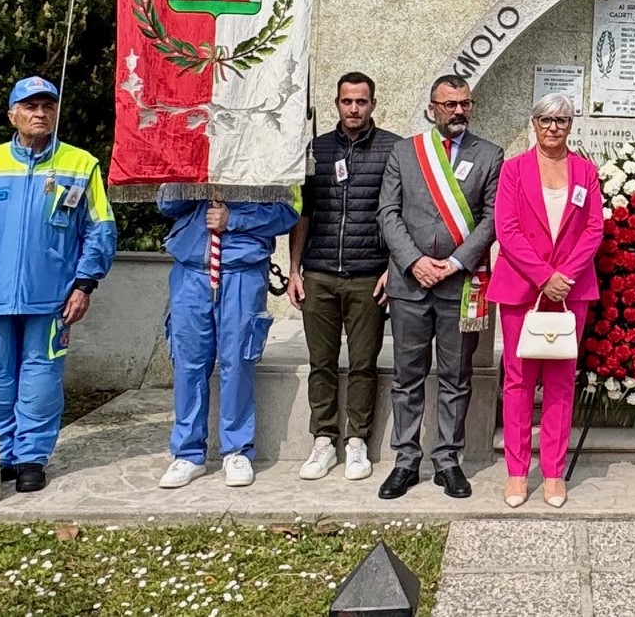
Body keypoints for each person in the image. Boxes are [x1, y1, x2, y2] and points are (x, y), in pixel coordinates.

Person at [0, 76, 116, 494]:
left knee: (41, 380)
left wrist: (84, 284)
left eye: (47, 106)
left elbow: (101, 230)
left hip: (53, 299)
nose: (40, 113)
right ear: (12, 115)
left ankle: (31, 459)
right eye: (30, 106)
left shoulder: (80, 164)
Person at [375, 72, 503, 500]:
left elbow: (492, 219)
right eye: (449, 104)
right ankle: (405, 461)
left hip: (460, 286)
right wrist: (414, 262)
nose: (458, 111)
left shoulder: (490, 155)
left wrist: (454, 262)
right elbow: (388, 213)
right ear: (432, 108)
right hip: (410, 286)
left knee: (456, 377)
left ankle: (448, 461)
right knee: (407, 377)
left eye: (465, 103)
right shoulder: (405, 152)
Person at [489, 92, 605, 508]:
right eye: (545, 119)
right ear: (533, 124)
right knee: (519, 380)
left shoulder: (586, 172)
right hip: (523, 289)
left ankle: (553, 473)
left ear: (571, 125)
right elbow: (507, 227)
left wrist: (565, 276)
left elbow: (593, 230)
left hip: (571, 290)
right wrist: (543, 276)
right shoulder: (513, 170)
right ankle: (518, 473)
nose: (553, 126)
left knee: (559, 383)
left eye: (561, 119)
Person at [290, 71, 399, 482]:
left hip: (368, 275)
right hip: (318, 274)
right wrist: (295, 269)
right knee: (321, 362)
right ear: (336, 103)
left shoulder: (393, 149)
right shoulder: (316, 150)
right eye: (347, 102)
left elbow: (398, 212)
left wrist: (392, 269)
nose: (354, 109)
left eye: (362, 102)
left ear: (373, 104)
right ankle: (323, 440)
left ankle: (357, 442)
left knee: (363, 364)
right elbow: (303, 212)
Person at [157, 190, 299, 488]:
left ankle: (237, 450)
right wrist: (196, 186)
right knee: (188, 364)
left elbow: (288, 212)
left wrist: (234, 218)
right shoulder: (191, 149)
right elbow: (166, 203)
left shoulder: (264, 153)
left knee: (238, 362)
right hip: (191, 270)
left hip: (241, 271)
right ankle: (188, 452)